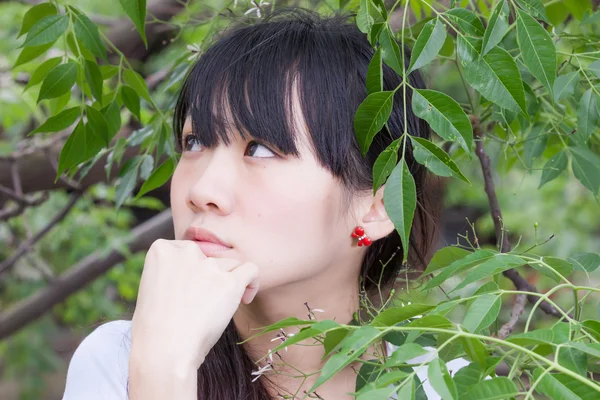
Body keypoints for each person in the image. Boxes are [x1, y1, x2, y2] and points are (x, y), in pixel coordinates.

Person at [61, 7, 469, 400]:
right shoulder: (123, 361)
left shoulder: (436, 382)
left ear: (378, 207)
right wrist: (163, 372)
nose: (202, 190)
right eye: (195, 142)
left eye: (259, 150)